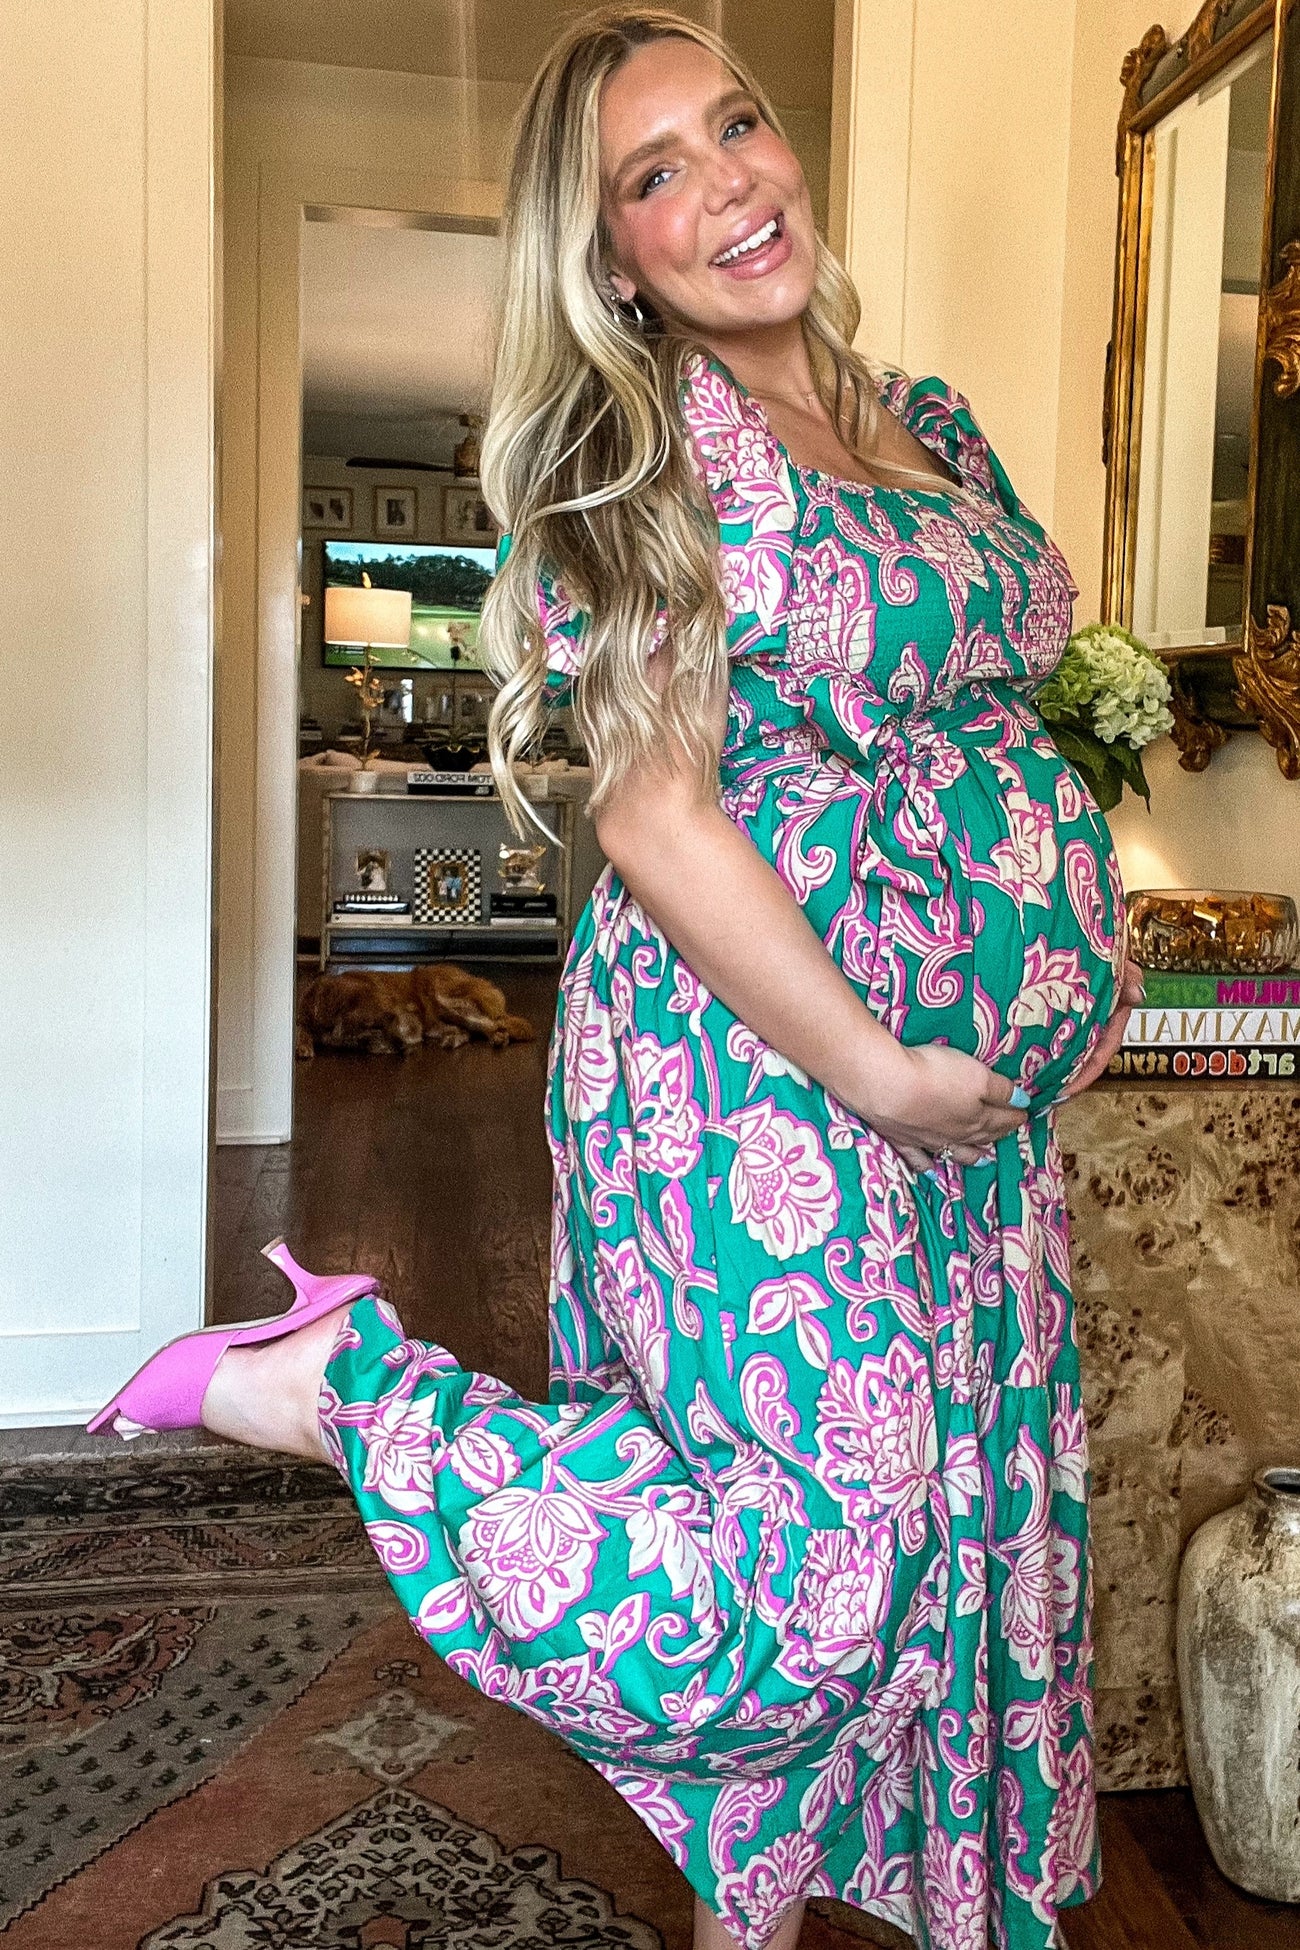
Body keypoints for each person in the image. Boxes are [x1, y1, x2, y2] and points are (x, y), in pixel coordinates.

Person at [88, 10, 1141, 1947]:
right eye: (656, 174)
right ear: (610, 259)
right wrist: (882, 1071)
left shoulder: (932, 419)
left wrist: (1068, 926)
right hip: (763, 1073)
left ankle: (827, 1902)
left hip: (958, 1110)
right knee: (810, 1585)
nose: (729, 184)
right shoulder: (636, 442)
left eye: (734, 125)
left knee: (950, 1543)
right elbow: (655, 809)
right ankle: (346, 1392)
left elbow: (989, 707)